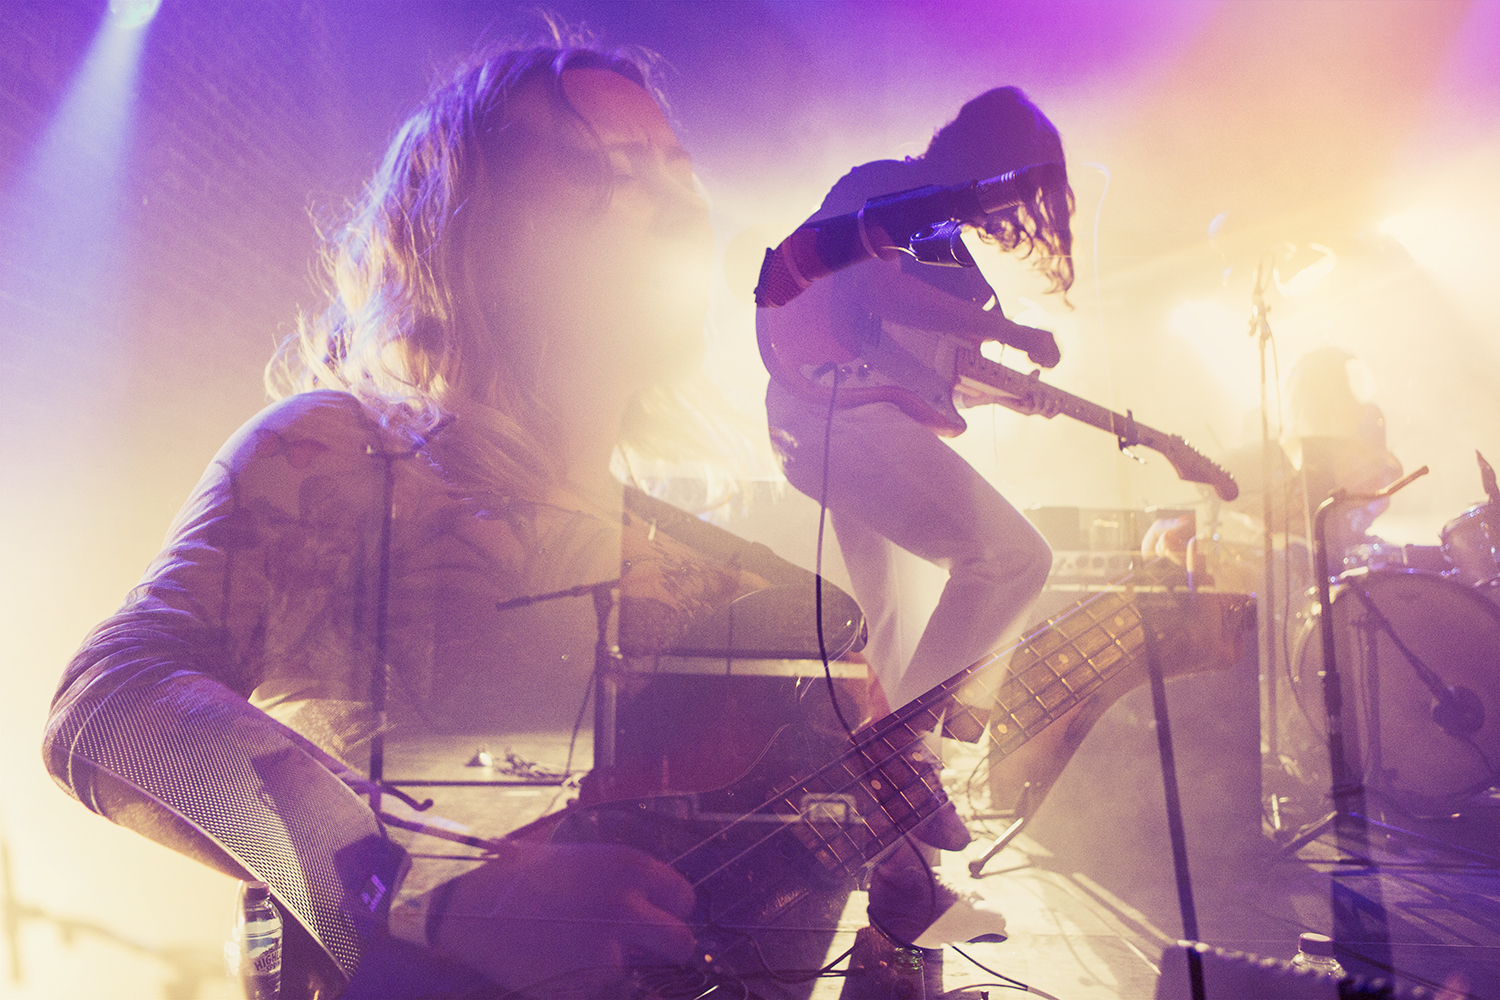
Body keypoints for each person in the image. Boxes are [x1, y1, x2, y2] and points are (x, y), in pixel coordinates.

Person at [44, 41, 957, 999]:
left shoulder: (731, 588)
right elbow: (108, 701)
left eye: (679, 175)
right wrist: (441, 891)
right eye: (606, 169)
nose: (680, 205)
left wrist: (901, 926)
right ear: (469, 222)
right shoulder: (346, 454)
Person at [764, 87, 1074, 716]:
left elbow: (922, 374)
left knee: (883, 632)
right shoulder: (886, 188)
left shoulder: (952, 252)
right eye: (1013, 181)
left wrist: (1005, 397)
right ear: (991, 159)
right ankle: (903, 751)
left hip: (840, 418)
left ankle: (869, 779)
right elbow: (872, 294)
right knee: (1011, 560)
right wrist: (1007, 332)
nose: (1014, 205)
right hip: (835, 409)